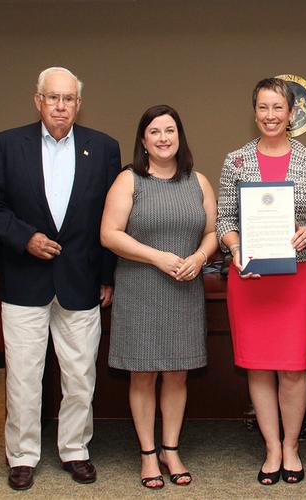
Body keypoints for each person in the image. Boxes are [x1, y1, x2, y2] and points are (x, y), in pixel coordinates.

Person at [0, 67, 120, 490]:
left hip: (82, 281)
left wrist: (107, 276)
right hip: (24, 279)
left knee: (80, 375)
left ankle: (75, 449)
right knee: (22, 375)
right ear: (37, 101)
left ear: (79, 103)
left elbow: (112, 219)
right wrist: (25, 238)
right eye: (53, 98)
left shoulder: (103, 148)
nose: (61, 106)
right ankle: (22, 454)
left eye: (69, 99)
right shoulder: (5, 144)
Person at [216, 77, 306, 485]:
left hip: (297, 278)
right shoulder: (235, 161)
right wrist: (234, 250)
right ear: (255, 112)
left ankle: (292, 447)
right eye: (263, 108)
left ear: (292, 113)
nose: (270, 116)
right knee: (258, 367)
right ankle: (270, 448)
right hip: (249, 278)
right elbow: (225, 220)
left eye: (277, 108)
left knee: (293, 367)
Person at [100, 105, 218, 489]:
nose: (164, 138)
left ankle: (171, 448)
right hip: (140, 289)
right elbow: (110, 234)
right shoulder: (128, 180)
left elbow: (213, 232)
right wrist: (156, 257)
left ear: (179, 136)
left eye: (170, 130)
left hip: (185, 288)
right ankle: (148, 453)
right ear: (144, 140)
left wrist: (200, 258)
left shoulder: (198, 182)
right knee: (143, 374)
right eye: (155, 132)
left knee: (178, 374)